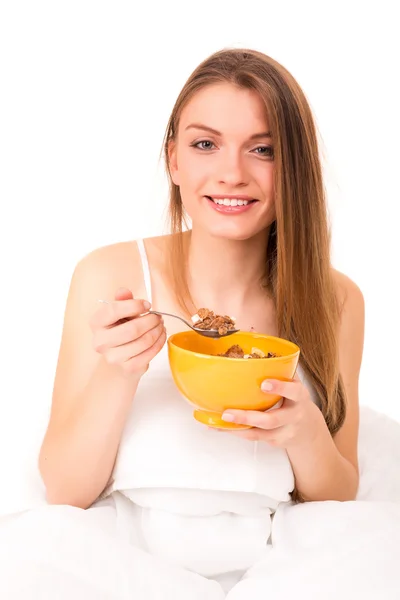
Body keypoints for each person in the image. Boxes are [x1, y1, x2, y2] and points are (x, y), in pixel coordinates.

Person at [1, 47, 399, 600]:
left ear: (296, 168)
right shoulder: (112, 275)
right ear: (174, 160)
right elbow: (66, 490)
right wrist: (119, 373)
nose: (231, 174)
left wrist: (306, 433)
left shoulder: (338, 300)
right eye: (205, 144)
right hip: (120, 557)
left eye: (263, 150)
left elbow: (337, 496)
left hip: (280, 562)